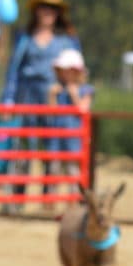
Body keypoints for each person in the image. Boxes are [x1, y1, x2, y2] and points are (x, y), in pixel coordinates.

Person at [1, 0, 81, 201]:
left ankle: (48, 196)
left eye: (53, 9)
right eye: (45, 8)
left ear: (59, 13)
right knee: (23, 149)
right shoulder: (25, 38)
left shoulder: (67, 41)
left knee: (51, 149)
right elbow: (13, 71)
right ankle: (18, 197)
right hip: (27, 98)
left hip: (54, 102)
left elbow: (77, 73)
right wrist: (8, 99)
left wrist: (74, 96)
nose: (48, 13)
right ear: (36, 10)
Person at [49, 48, 94, 187]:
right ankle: (50, 203)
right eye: (62, 70)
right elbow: (52, 112)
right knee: (53, 170)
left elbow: (83, 108)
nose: (63, 74)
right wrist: (51, 95)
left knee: (72, 170)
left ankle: (73, 201)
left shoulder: (85, 89)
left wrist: (74, 94)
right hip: (57, 136)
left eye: (66, 70)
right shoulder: (58, 89)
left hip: (74, 138)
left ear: (75, 71)